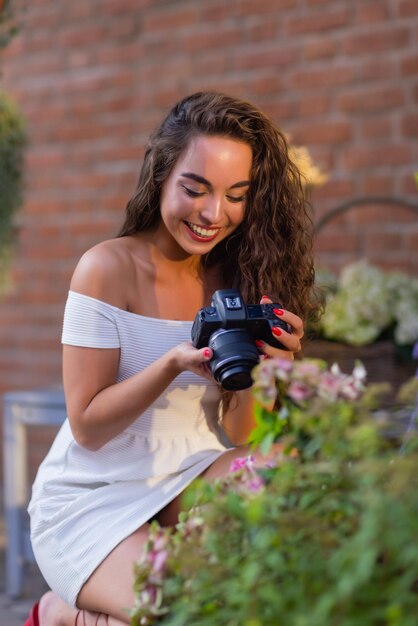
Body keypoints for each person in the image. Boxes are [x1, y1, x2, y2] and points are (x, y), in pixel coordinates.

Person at [25, 91, 319, 626]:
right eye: (195, 188)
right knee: (182, 608)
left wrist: (272, 367)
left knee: (282, 494)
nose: (213, 214)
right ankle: (60, 613)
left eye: (236, 195)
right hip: (94, 495)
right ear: (161, 172)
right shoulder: (105, 268)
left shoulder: (239, 279)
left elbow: (241, 433)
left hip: (190, 474)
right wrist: (170, 365)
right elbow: (87, 426)